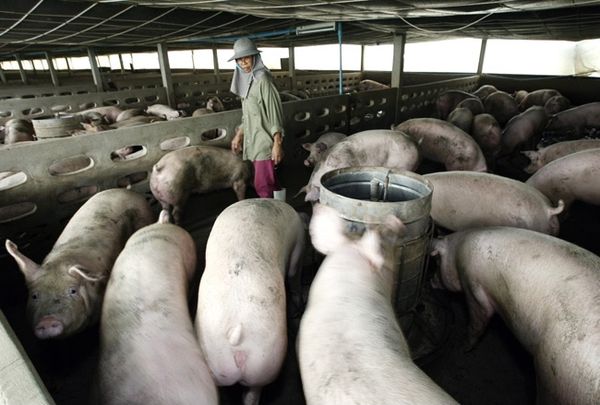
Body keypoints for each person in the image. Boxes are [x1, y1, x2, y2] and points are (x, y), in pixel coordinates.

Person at [229, 37, 285, 199]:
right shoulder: (246, 81)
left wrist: (277, 144)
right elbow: (248, 115)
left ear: (255, 57)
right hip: (252, 140)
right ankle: (282, 208)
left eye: (246, 57)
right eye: (239, 59)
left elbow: (275, 113)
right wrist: (239, 135)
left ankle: (268, 213)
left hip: (264, 141)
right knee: (270, 181)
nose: (243, 62)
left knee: (262, 185)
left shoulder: (263, 80)